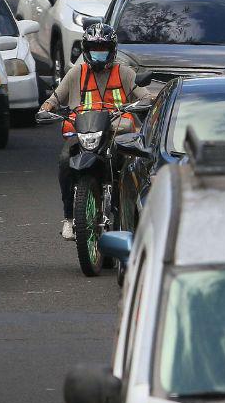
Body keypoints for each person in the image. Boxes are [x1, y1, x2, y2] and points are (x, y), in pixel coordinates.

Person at [40, 23, 157, 240]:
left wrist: (145, 102)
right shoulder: (76, 72)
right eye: (95, 49)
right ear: (86, 49)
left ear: (112, 50)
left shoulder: (125, 72)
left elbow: (145, 97)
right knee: (66, 159)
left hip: (116, 134)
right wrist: (46, 109)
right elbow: (55, 99)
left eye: (103, 49)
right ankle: (69, 218)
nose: (99, 54)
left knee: (135, 165)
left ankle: (135, 217)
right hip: (85, 134)